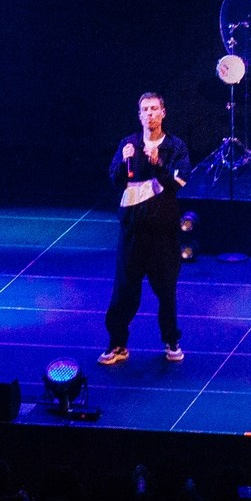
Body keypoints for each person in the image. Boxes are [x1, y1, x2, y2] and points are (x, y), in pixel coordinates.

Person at [101, 92, 189, 365]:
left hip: (162, 235)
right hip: (132, 233)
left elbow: (178, 183)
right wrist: (124, 161)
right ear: (139, 115)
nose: (149, 114)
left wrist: (157, 163)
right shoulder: (128, 144)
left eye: (154, 109)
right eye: (144, 110)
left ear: (163, 113)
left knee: (165, 290)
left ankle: (171, 340)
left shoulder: (175, 147)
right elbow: (116, 180)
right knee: (125, 290)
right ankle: (117, 344)